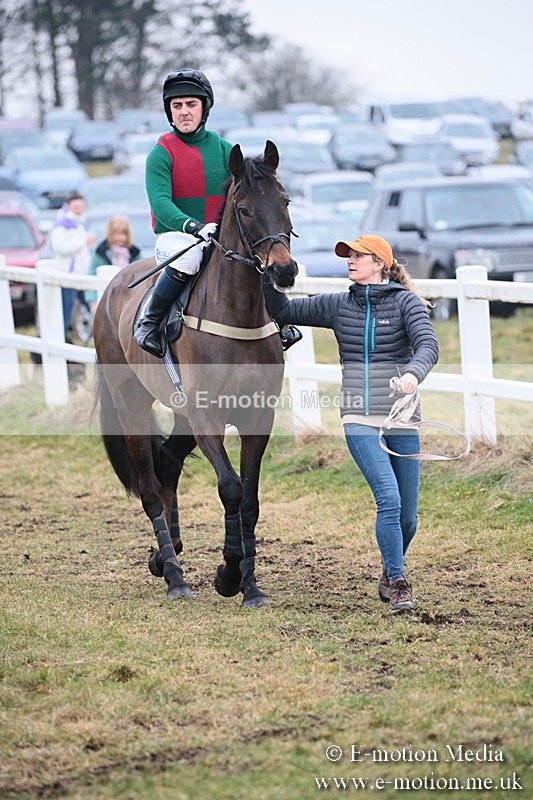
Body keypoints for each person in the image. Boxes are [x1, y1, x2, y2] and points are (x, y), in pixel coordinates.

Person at [262, 234, 439, 614]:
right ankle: (398, 581)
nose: (350, 260)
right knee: (388, 500)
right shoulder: (337, 305)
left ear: (379, 264)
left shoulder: (407, 302)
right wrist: (266, 273)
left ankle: (389, 568)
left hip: (402, 417)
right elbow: (284, 311)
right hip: (358, 415)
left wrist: (412, 374)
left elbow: (428, 346)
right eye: (348, 255)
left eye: (358, 256)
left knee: (408, 516)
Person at [133, 67, 301, 358]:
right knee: (190, 257)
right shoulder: (161, 153)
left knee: (254, 258)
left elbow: (248, 193)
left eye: (191, 105)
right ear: (169, 112)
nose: (184, 112)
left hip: (217, 235)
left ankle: (280, 320)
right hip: (177, 237)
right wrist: (193, 226)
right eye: (177, 106)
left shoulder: (224, 150)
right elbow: (160, 204)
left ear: (204, 109)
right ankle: (149, 321)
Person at [48, 192, 96, 338]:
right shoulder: (62, 225)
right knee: (66, 313)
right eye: (75, 206)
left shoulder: (80, 224)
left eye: (81, 206)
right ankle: (60, 340)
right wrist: (83, 242)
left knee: (91, 307)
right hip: (68, 276)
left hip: (82, 276)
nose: (79, 209)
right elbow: (59, 247)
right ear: (69, 206)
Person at [86, 214, 141, 310]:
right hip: (104, 302)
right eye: (117, 234)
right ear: (110, 234)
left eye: (124, 234)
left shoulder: (135, 254)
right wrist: (93, 302)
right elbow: (91, 276)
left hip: (129, 302)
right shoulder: (100, 253)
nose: (121, 238)